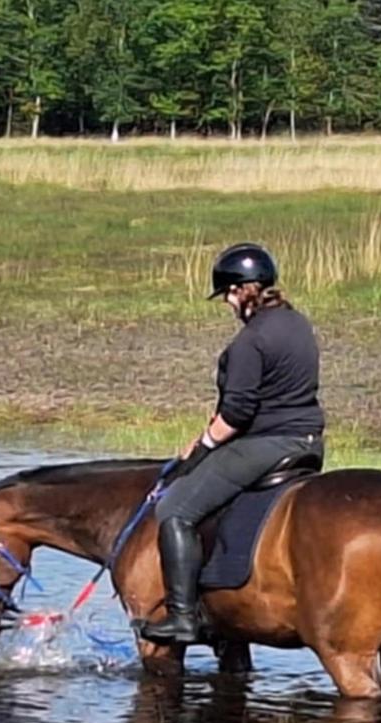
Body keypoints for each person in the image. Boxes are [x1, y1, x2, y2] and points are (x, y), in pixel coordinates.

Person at [140, 242, 326, 644]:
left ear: (245, 290)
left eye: (228, 293)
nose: (227, 302)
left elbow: (237, 414)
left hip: (267, 443)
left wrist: (203, 445)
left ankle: (183, 617)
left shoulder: (250, 342)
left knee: (175, 508)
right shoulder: (298, 324)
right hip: (309, 442)